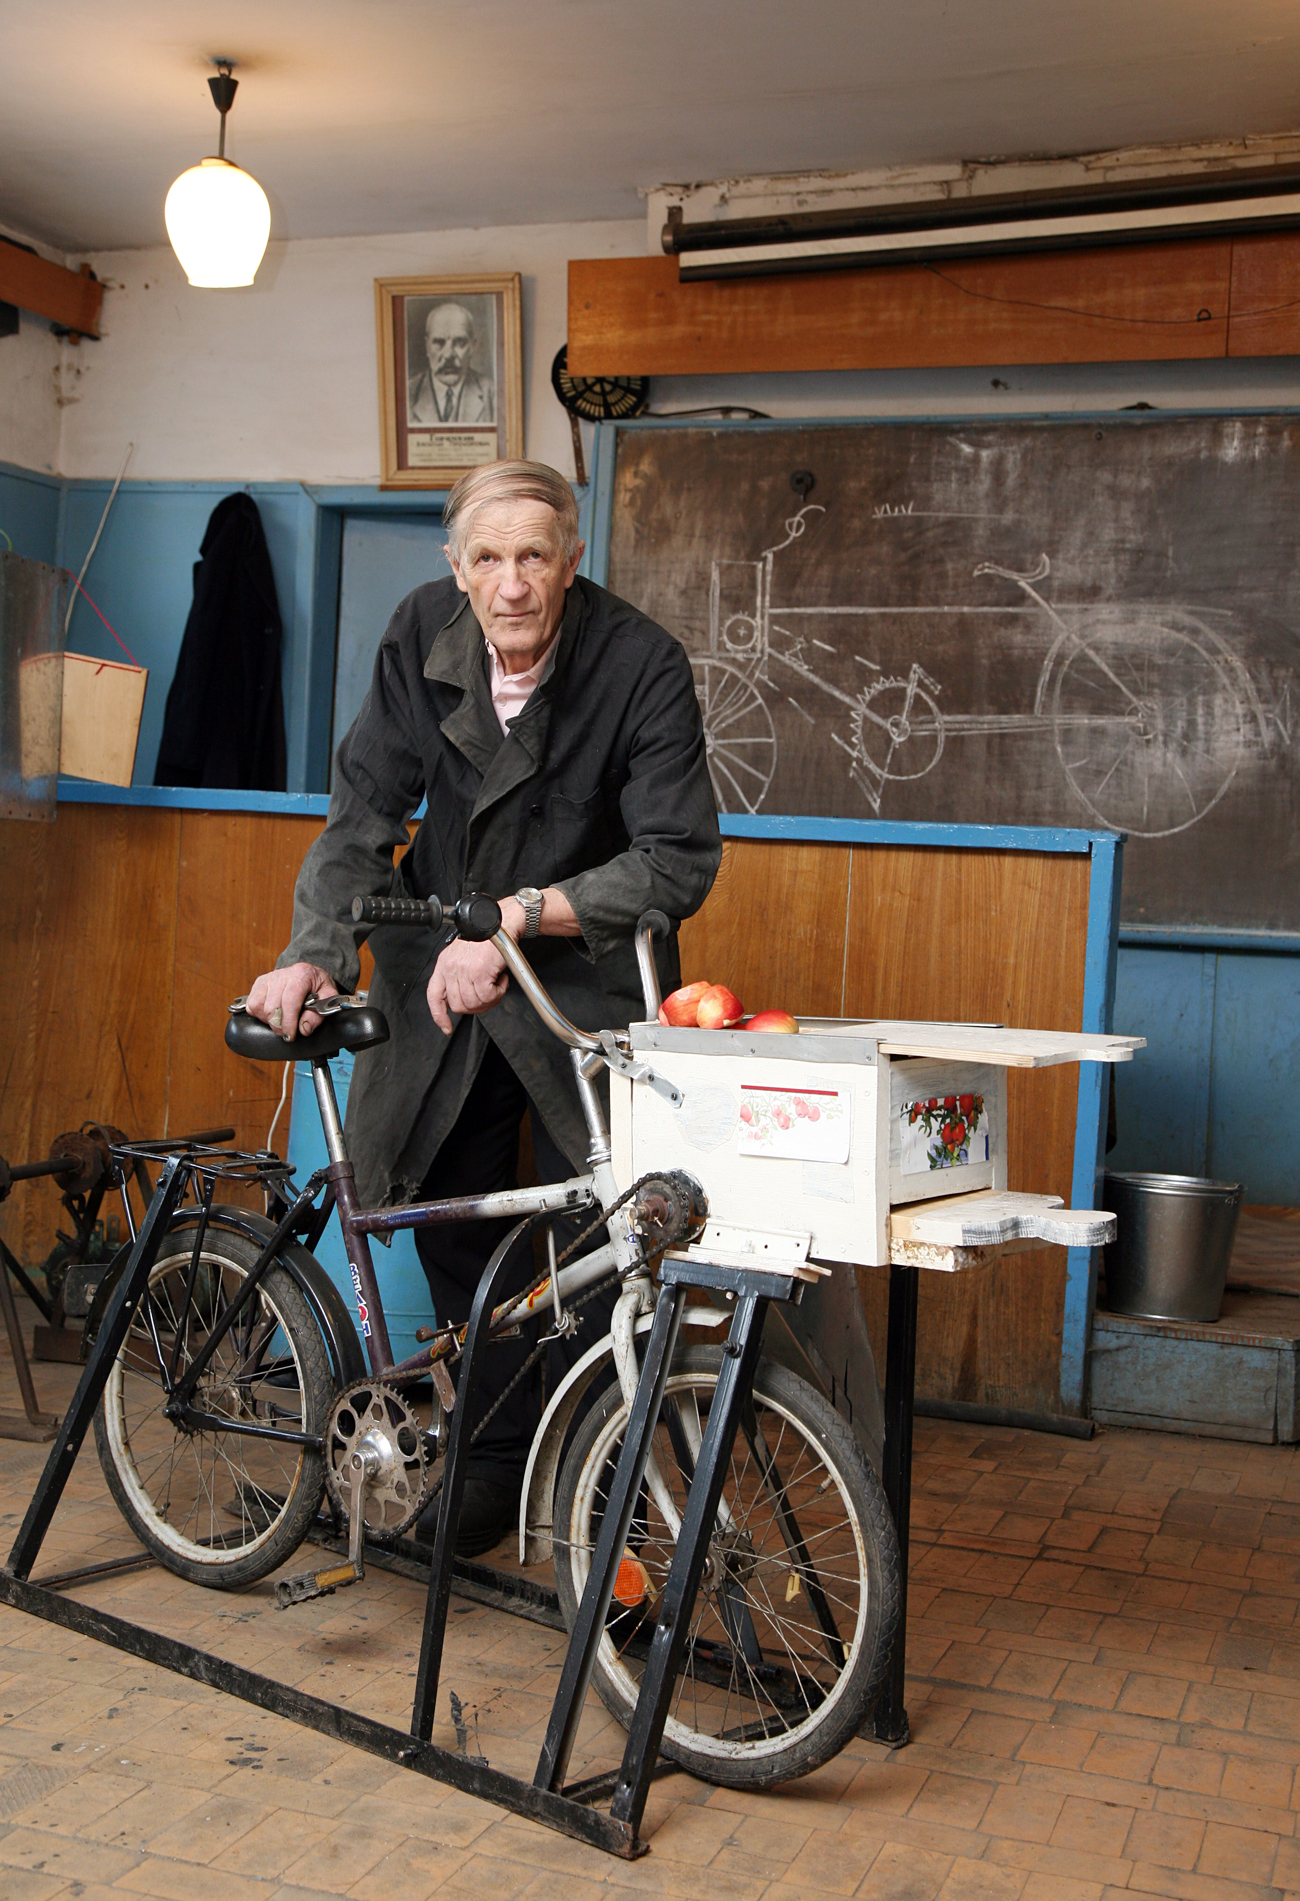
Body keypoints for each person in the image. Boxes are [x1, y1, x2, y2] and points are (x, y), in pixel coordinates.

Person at [244, 458, 721, 1555]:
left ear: (572, 560)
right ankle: (490, 1467)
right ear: (458, 569)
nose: (513, 584)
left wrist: (516, 919)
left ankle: (601, 1496)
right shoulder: (422, 632)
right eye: (490, 558)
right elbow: (364, 806)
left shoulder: (639, 661)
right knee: (454, 1219)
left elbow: (676, 858)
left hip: (577, 973)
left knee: (594, 1242)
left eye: (535, 556)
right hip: (441, 979)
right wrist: (313, 949)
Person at [408, 302, 495, 426]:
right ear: (427, 346)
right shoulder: (406, 395)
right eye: (439, 342)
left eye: (459, 342)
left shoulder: (493, 395)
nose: (448, 355)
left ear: (473, 346)